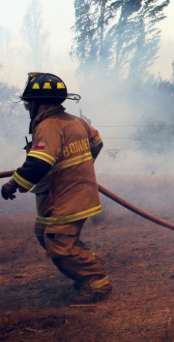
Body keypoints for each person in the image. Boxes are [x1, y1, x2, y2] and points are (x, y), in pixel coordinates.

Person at [1, 73, 111, 305]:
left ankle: (96, 283)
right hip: (72, 194)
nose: (28, 107)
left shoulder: (48, 126)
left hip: (66, 197)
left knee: (58, 241)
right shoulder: (75, 121)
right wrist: (81, 168)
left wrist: (13, 183)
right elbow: (97, 142)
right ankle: (84, 269)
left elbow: (39, 162)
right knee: (44, 232)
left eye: (29, 103)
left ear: (38, 103)